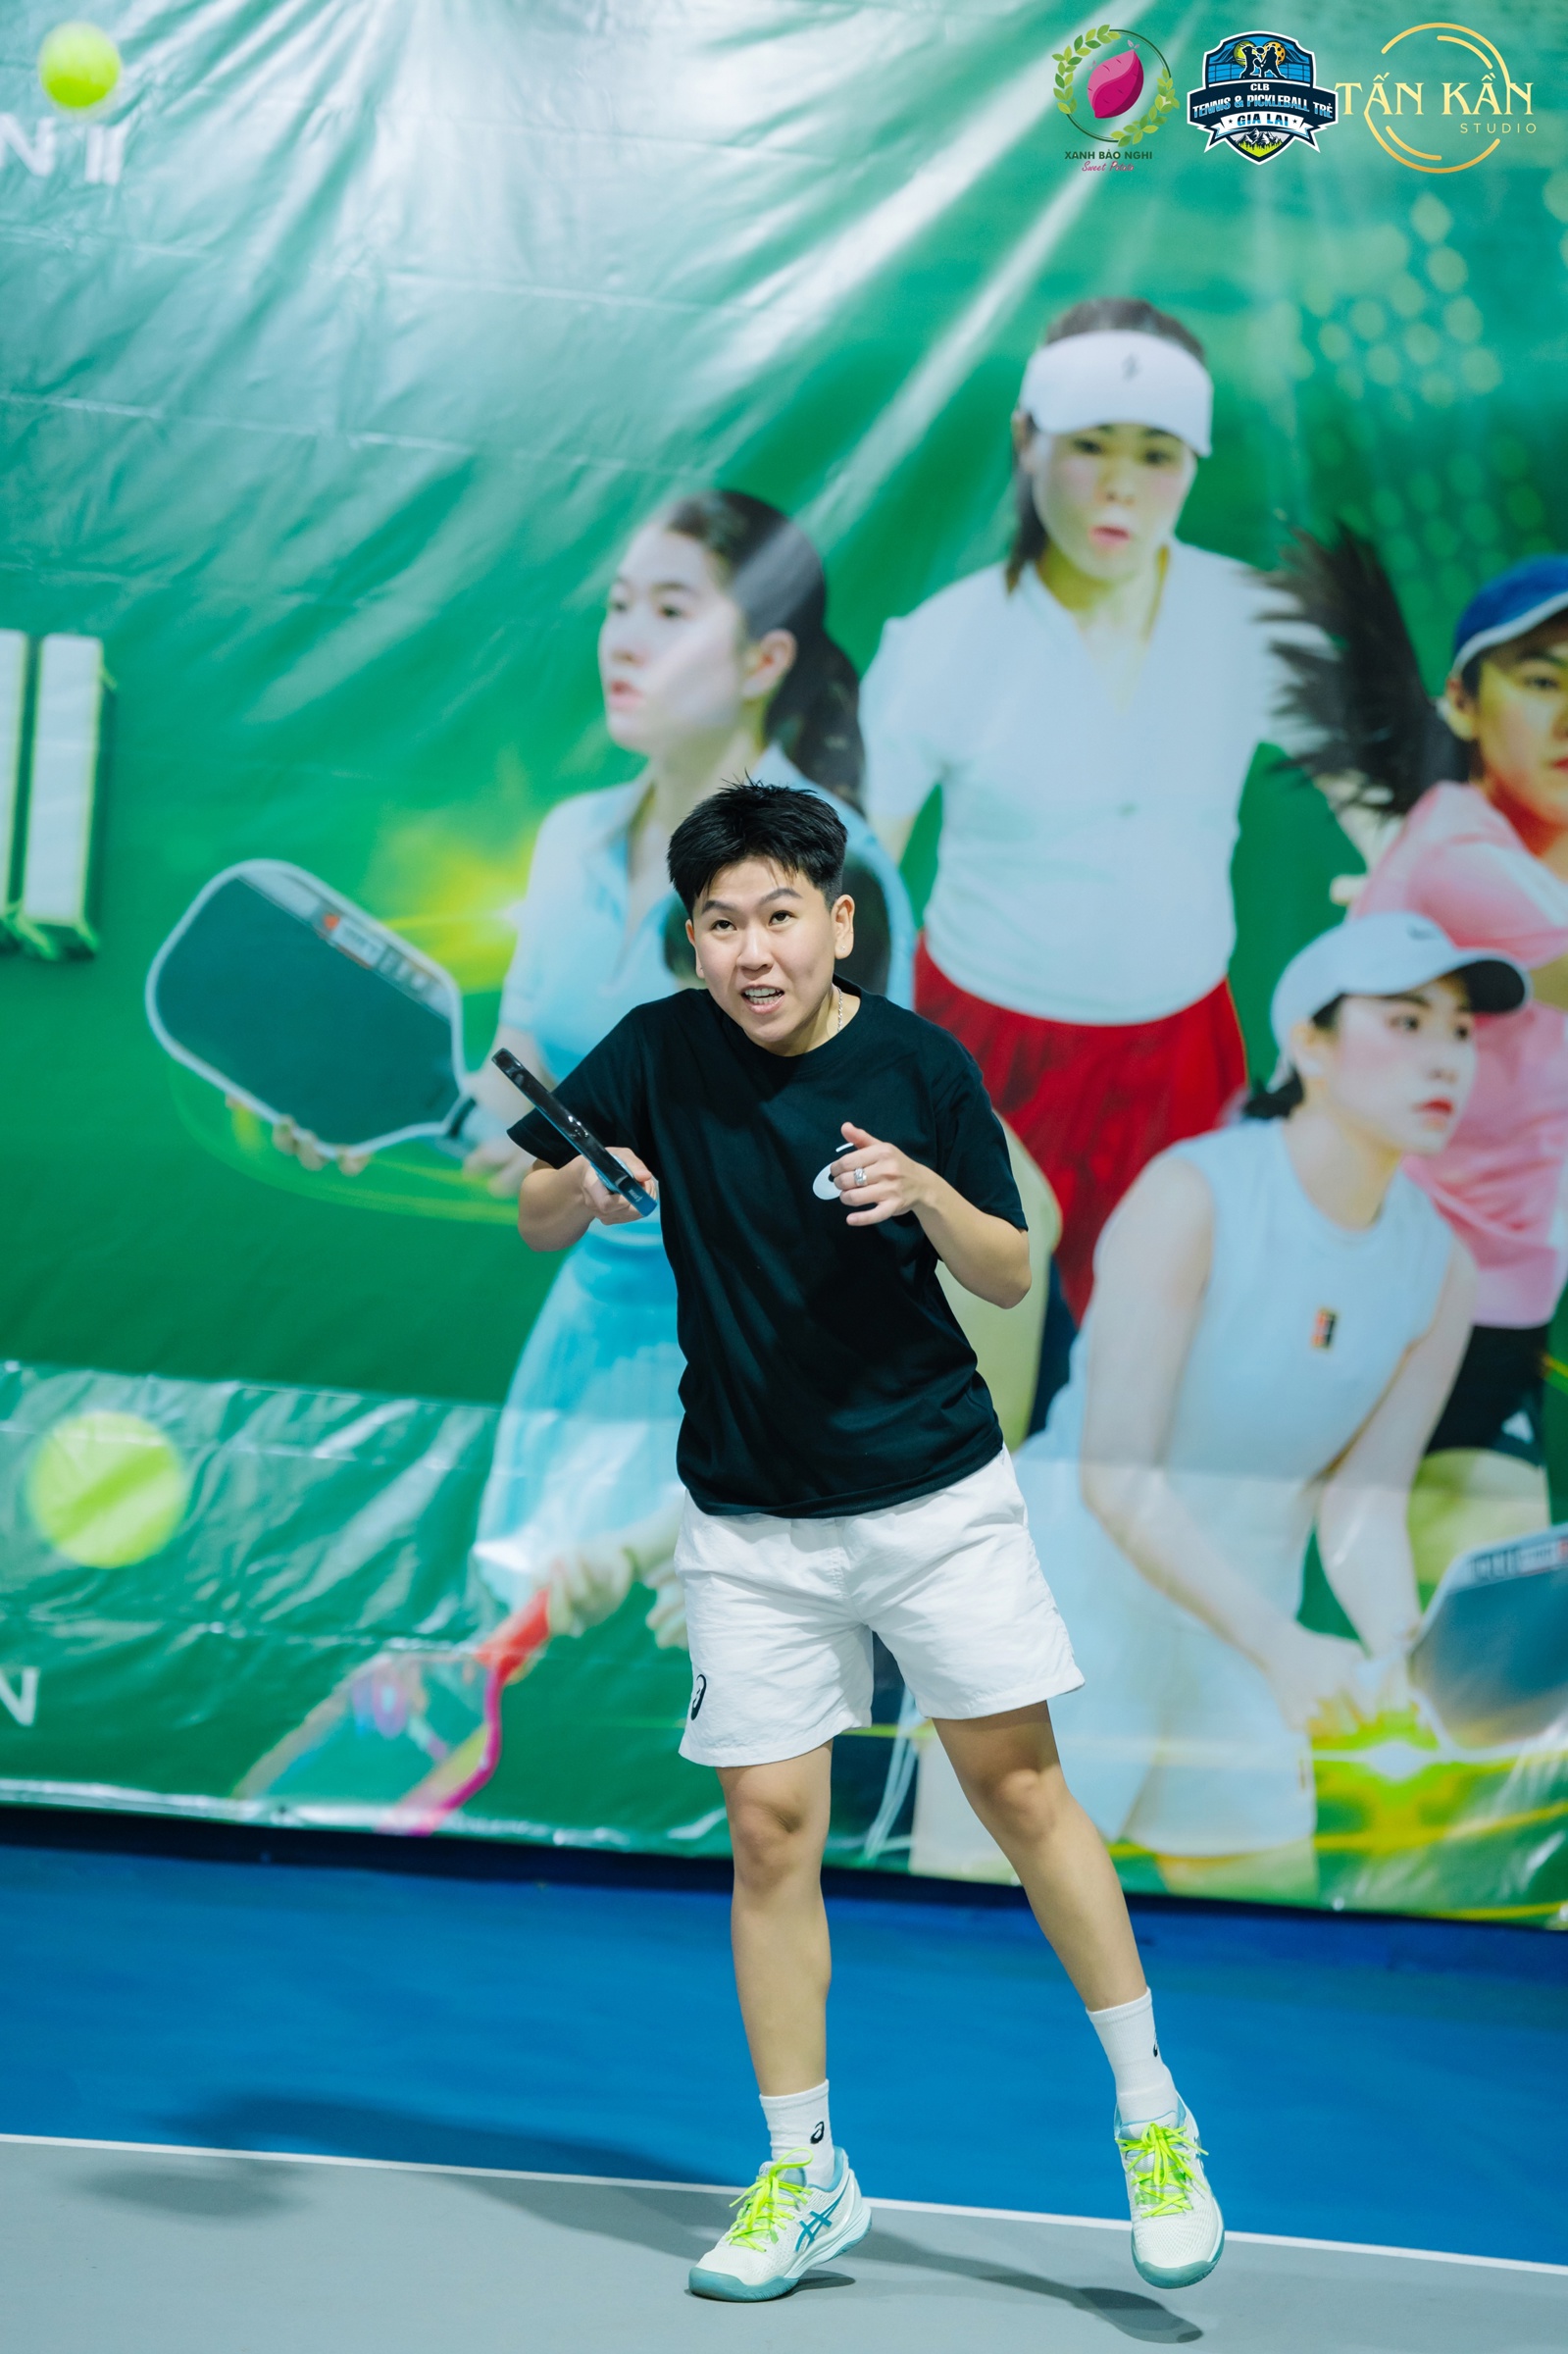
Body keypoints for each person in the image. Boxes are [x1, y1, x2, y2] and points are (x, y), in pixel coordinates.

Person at [510, 781, 1225, 2304]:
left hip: (929, 1502)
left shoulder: (916, 1065)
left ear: (835, 924)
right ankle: (804, 2171)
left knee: (1019, 1794)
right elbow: (534, 1213)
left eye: (779, 916)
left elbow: (1012, 1271)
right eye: (720, 924)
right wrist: (581, 1181)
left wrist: (921, 1191)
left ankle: (1151, 2117)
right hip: (747, 1516)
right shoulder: (650, 1051)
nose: (750, 950)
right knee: (771, 1834)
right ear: (691, 940)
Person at [280, 490, 914, 1653]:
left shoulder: (836, 871)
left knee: (713, 1716)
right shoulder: (573, 834)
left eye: (672, 610)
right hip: (586, 1337)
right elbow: (525, 1082)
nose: (626, 638)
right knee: (538, 1678)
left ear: (766, 659)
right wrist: (378, 1105)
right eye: (620, 606)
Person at [1014, 913, 1527, 1905]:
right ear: (1311, 1045)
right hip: (1067, 1599)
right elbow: (1114, 1475)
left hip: (1244, 1633)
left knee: (1265, 1941)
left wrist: (1401, 1658)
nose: (1445, 1058)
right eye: (1406, 1022)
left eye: (1460, 1031)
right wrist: (1280, 1648)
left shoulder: (1441, 1268)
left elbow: (1364, 1505)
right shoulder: (1193, 1194)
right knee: (984, 1934)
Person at [861, 296, 1312, 1331]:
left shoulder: (1258, 625)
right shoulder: (940, 642)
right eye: (1090, 445)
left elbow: (1401, 805)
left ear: (1191, 464)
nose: (1120, 485)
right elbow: (855, 889)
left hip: (1183, 1050)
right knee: (958, 1351)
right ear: (1028, 440)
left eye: (1156, 454)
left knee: (1159, 1346)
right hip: (977, 1043)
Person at [1271, 537, 1568, 1459]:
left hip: (1495, 1285)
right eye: (1543, 680)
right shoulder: (1460, 859)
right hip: (1394, 1291)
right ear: (1463, 703)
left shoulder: (1521, 845)